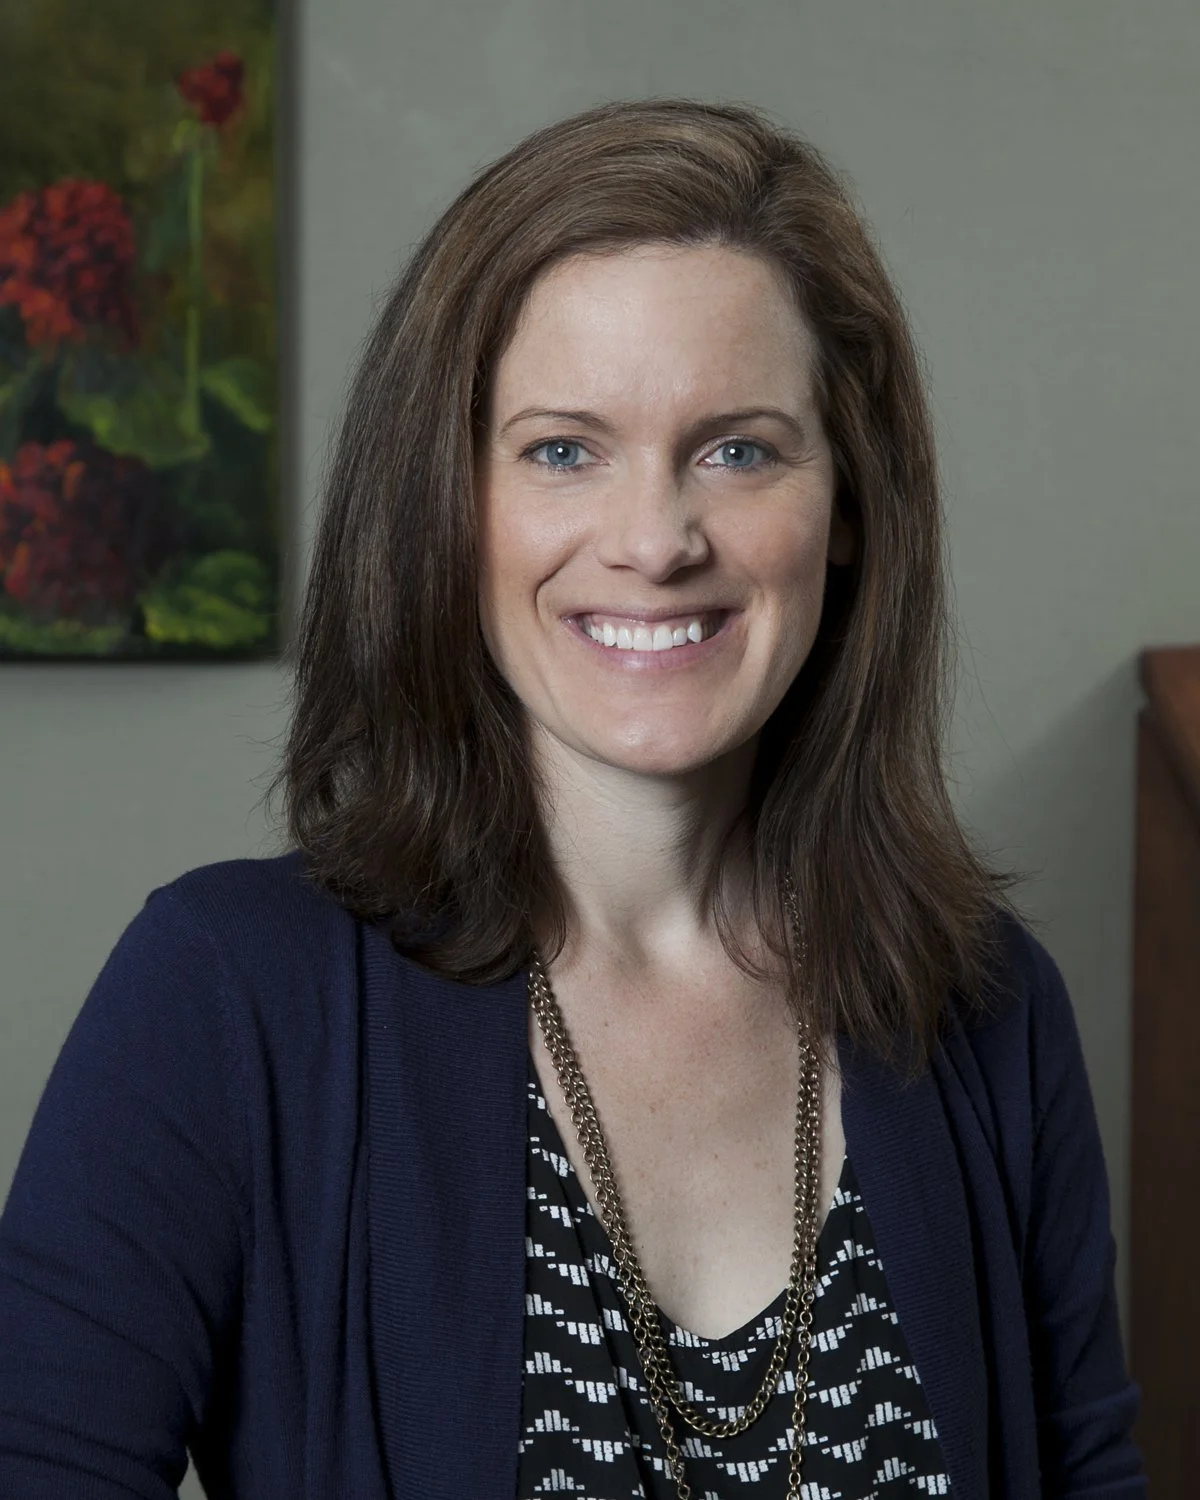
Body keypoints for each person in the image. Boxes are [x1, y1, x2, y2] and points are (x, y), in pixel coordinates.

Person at [0, 98, 1145, 1500]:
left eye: (739, 448)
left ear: (848, 503)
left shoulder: (987, 1010)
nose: (655, 540)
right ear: (448, 502)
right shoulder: (228, 995)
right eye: (561, 450)